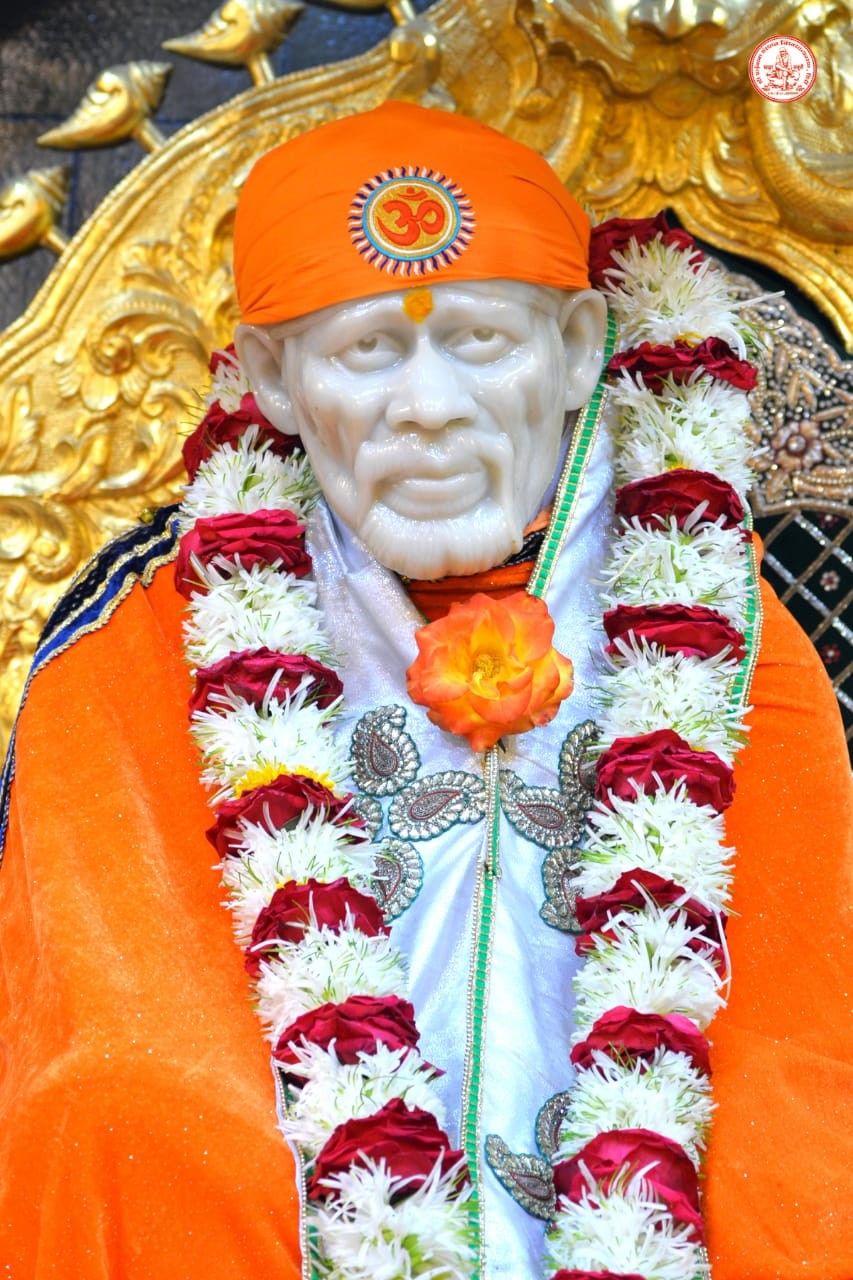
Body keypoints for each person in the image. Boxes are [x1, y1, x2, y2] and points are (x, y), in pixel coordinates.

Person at [0, 101, 849, 1280]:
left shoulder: (729, 624)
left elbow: (808, 1033)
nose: (431, 405)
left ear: (572, 351)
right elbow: (118, 1033)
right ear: (272, 380)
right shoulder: (135, 640)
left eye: (481, 341)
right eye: (368, 350)